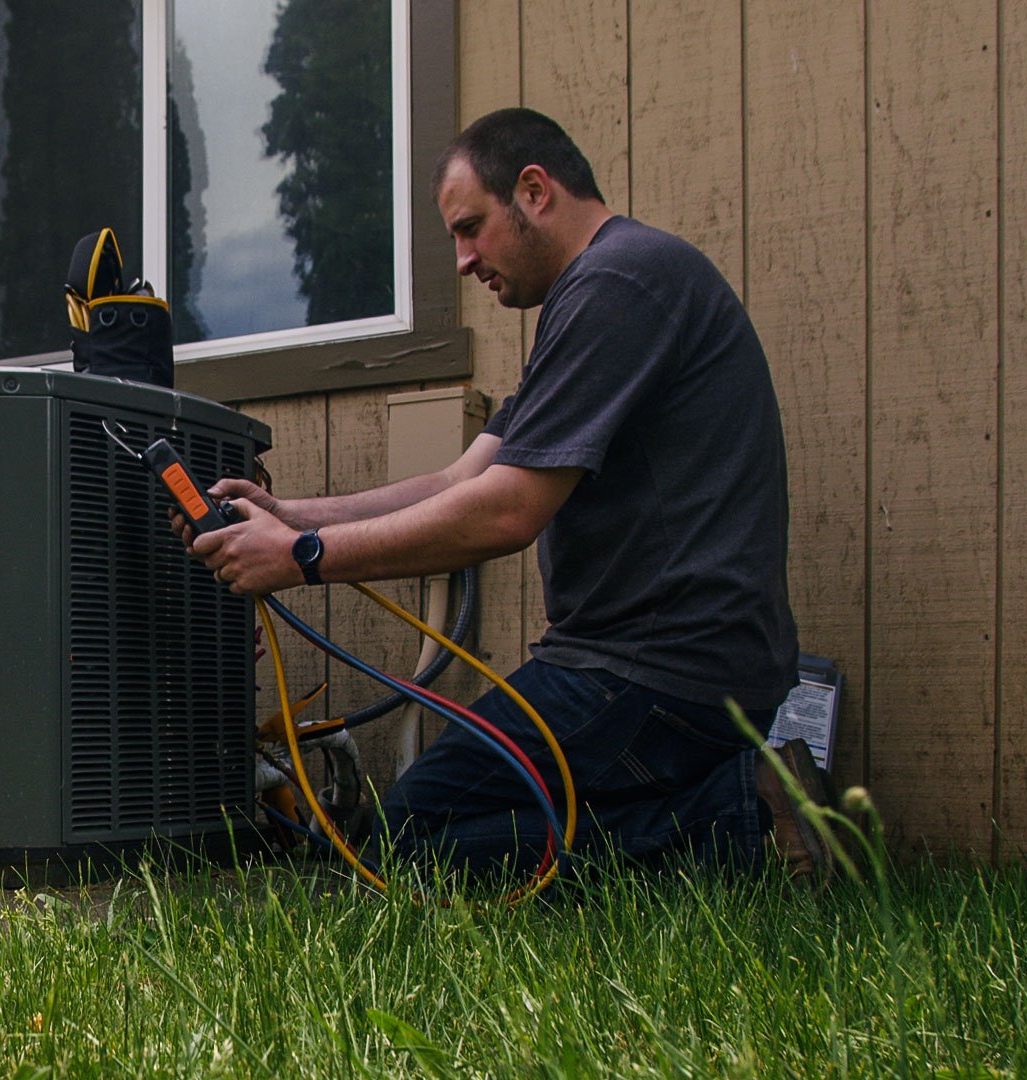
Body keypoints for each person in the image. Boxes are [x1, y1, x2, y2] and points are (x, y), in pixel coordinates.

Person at [182, 107, 828, 877]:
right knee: (463, 825)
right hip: (659, 668)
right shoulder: (596, 297)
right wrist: (291, 515)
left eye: (470, 228)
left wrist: (302, 555)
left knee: (406, 845)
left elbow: (508, 510)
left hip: (658, 673)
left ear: (534, 190)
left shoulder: (618, 285)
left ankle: (742, 821)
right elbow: (463, 479)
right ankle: (728, 806)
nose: (461, 260)